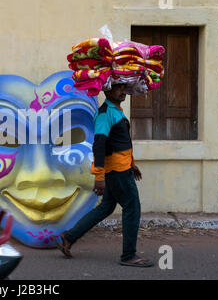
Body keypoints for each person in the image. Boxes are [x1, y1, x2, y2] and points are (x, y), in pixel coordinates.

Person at [53, 83, 153, 267]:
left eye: (124, 87)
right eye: (118, 88)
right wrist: (99, 176)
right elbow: (99, 145)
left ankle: (68, 238)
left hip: (121, 168)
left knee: (106, 207)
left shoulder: (115, 111)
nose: (123, 91)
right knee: (132, 208)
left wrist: (132, 164)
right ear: (107, 90)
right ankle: (128, 255)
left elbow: (119, 143)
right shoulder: (106, 114)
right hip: (117, 172)